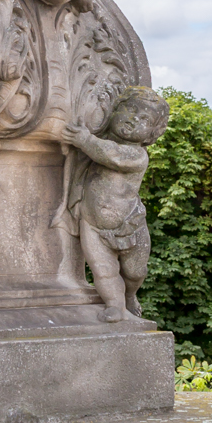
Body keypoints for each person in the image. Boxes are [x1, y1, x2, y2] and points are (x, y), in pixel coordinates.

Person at [62, 87, 169, 321]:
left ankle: (130, 295)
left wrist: (85, 140)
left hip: (130, 224)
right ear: (115, 110)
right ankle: (115, 305)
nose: (134, 119)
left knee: (135, 272)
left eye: (144, 119)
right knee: (103, 270)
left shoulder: (137, 156)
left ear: (151, 134)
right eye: (130, 110)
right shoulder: (100, 142)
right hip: (92, 224)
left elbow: (111, 155)